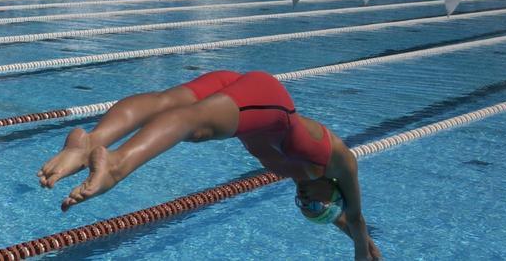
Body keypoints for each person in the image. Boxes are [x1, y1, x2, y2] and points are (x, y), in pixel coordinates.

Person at [39, 70, 380, 260]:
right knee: (194, 123)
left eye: (303, 206)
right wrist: (364, 252)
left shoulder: (293, 173)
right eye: (315, 204)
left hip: (240, 91)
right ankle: (114, 165)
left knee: (166, 105)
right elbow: (356, 220)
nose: (305, 199)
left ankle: (89, 144)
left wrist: (350, 233)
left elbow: (343, 222)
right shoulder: (337, 162)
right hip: (270, 102)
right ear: (334, 195)